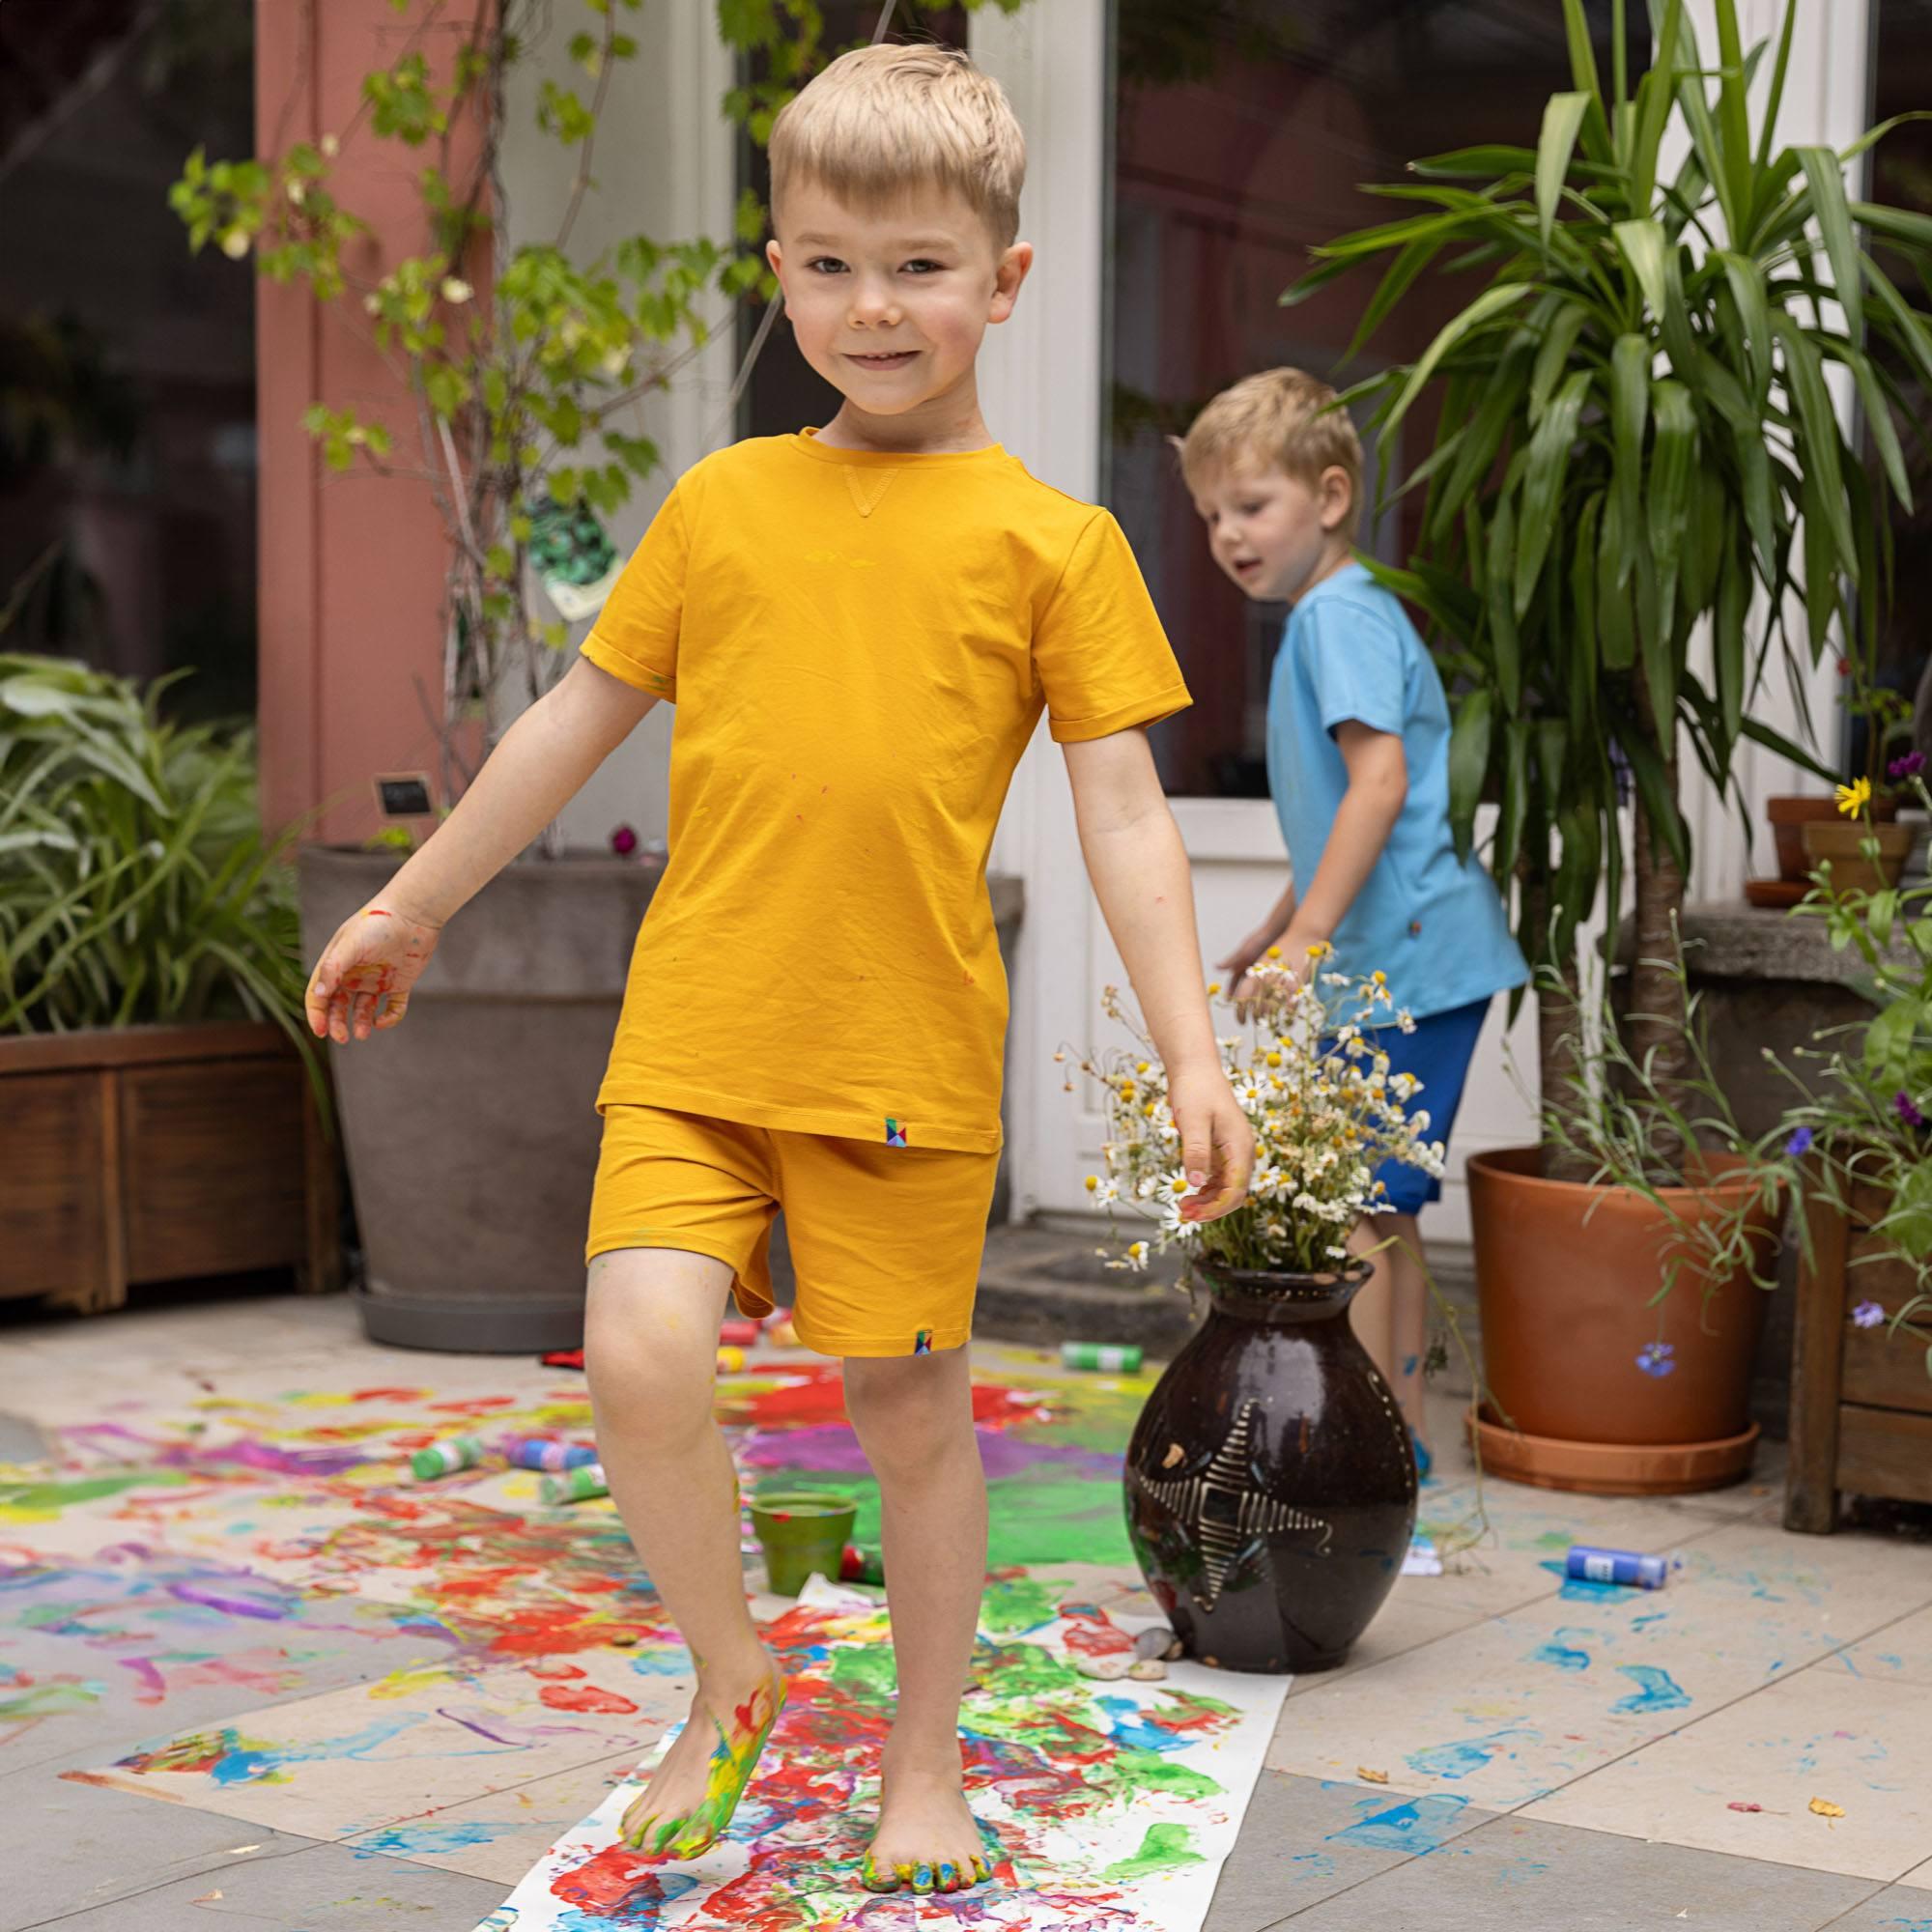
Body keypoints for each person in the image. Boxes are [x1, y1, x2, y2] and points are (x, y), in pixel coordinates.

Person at [305, 43, 1252, 1903]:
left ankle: (921, 1763)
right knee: (644, 1356)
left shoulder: (1055, 548)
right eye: (826, 262)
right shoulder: (723, 504)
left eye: (915, 264)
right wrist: (415, 905)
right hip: (699, 1033)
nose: (871, 305)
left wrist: (1193, 1054)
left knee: (907, 1419)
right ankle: (730, 1680)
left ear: (1006, 281)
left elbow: (1132, 818)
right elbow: (571, 725)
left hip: (900, 1054)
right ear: (777, 268)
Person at [1179, 368, 1525, 1471]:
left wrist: (1306, 938)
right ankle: (1396, 1448)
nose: (1227, 534)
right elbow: (1346, 814)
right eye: (1210, 516)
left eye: (1250, 505)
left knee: (1361, 1212)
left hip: (1407, 961)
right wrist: (1276, 925)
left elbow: (1377, 786)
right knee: (1379, 1211)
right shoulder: (1338, 613)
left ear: (1328, 497)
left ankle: (1374, 1451)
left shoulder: (1335, 619)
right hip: (1396, 958)